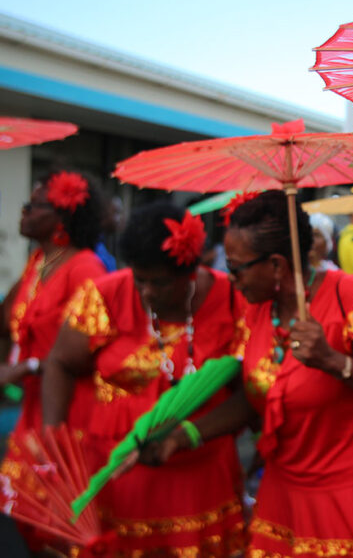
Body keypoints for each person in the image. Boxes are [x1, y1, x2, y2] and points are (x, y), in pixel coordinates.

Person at [148, 190, 353, 557]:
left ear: (278, 266)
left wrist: (333, 361)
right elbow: (257, 397)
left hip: (351, 499)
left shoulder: (352, 296)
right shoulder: (257, 310)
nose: (229, 278)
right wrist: (184, 436)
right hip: (281, 494)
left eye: (236, 268)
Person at [41, 202, 246, 555]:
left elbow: (252, 393)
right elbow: (59, 362)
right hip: (117, 479)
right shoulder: (105, 294)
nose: (147, 292)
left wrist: (185, 437)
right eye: (140, 279)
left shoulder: (234, 299)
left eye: (160, 283)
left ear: (190, 271)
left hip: (201, 475)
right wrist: (55, 446)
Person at [0, 170, 106, 550]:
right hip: (32, 408)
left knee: (63, 527)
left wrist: (25, 367)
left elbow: (91, 352)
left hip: (68, 412)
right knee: (28, 520)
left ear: (61, 217)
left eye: (34, 206)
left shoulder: (85, 269)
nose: (23, 212)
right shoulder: (39, 262)